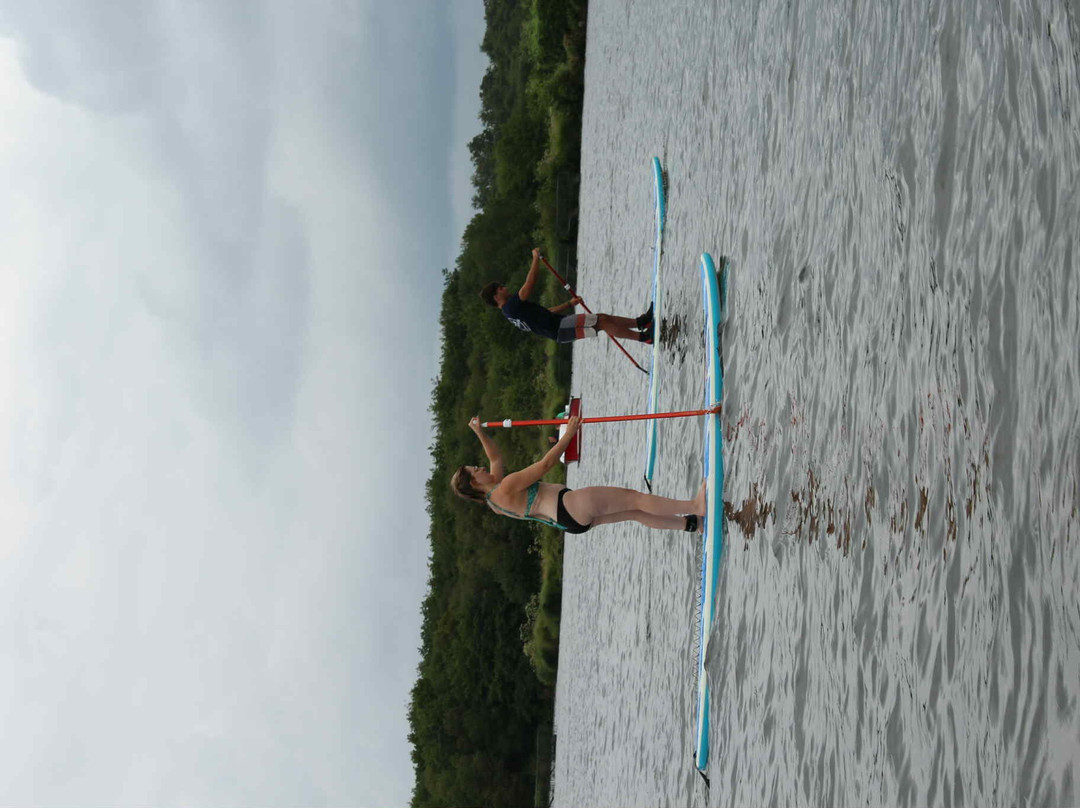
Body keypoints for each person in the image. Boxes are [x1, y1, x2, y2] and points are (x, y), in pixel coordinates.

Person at [451, 415, 705, 534]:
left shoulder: (494, 503)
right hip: (570, 505)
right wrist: (569, 433)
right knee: (634, 498)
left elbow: (495, 458)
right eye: (477, 470)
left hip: (570, 522)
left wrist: (479, 432)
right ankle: (694, 505)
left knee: (636, 513)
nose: (483, 468)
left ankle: (689, 523)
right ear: (474, 482)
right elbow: (545, 465)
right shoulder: (505, 487)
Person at [480, 248, 653, 344]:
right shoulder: (510, 307)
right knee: (602, 322)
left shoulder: (511, 312)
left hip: (559, 326)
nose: (505, 288)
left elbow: (547, 312)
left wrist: (569, 303)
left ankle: (640, 322)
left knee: (602, 318)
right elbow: (528, 286)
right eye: (501, 288)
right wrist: (535, 259)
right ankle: (644, 337)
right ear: (496, 297)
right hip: (560, 329)